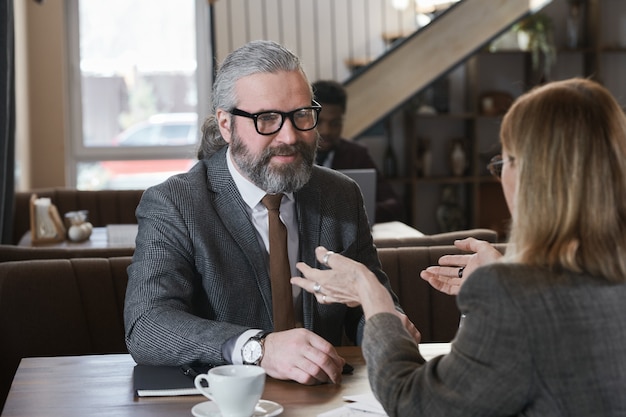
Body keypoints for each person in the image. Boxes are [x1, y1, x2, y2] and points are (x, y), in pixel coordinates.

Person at [292, 78, 626, 415]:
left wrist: (373, 297)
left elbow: (412, 402)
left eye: (505, 160)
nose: (500, 176)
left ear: (532, 176)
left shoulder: (517, 297)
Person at [124, 40, 418, 386]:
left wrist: (387, 323)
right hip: (221, 399)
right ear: (226, 124)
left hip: (325, 397)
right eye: (267, 119)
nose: (290, 136)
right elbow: (147, 324)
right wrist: (258, 348)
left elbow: (363, 309)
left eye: (302, 115)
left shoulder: (341, 195)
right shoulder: (175, 203)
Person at [312, 80, 404, 223]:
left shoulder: (357, 154)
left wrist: (352, 213)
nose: (327, 131)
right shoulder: (293, 155)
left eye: (335, 123)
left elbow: (394, 205)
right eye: (319, 122)